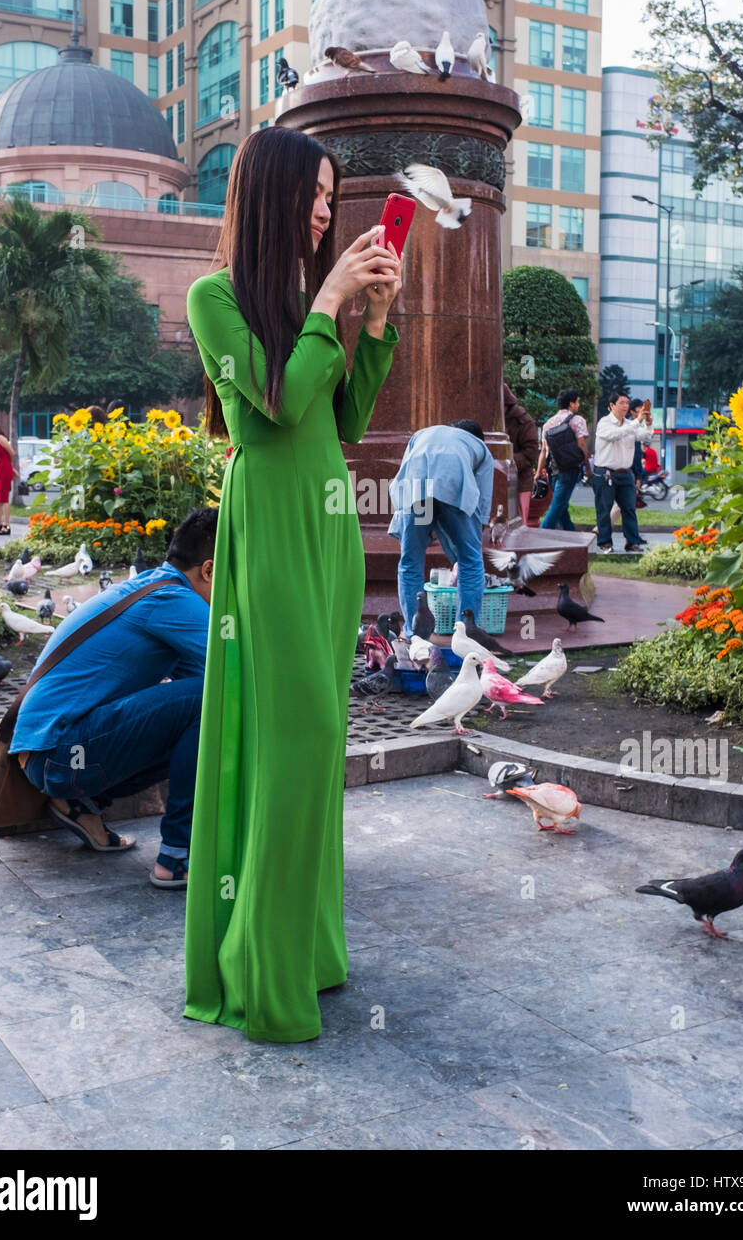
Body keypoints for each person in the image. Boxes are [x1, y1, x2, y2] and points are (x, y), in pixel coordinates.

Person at [184, 126, 401, 1043]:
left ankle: (307, 950)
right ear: (270, 198)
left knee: (320, 748)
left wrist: (375, 322)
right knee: (296, 738)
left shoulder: (297, 298)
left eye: (330, 195)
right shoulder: (215, 297)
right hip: (270, 528)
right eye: (313, 196)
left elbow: (342, 414)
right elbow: (270, 406)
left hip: (328, 531)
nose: (325, 212)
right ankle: (261, 971)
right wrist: (330, 301)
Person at [9, 508, 217, 886]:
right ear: (208, 570)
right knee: (209, 700)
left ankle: (83, 805)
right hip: (58, 754)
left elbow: (189, 689)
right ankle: (177, 857)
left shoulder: (155, 586)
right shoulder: (175, 601)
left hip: (46, 755)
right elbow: (232, 677)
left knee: (194, 706)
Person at [389, 420, 494, 635]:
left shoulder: (421, 434)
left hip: (416, 487)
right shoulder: (481, 448)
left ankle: (413, 632)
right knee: (471, 562)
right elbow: (482, 501)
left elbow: (405, 472)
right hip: (455, 482)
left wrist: (409, 530)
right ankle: (466, 631)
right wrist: (472, 535)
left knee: (410, 562)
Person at [592, 392, 653, 554]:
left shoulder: (629, 424)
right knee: (604, 510)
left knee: (629, 509)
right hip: (605, 473)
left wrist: (647, 424)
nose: (626, 406)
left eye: (627, 403)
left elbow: (645, 436)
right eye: (622, 403)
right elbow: (615, 435)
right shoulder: (604, 423)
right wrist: (637, 422)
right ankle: (605, 543)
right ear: (612, 405)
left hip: (625, 473)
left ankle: (632, 542)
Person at [534, 389, 590, 531]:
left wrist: (538, 472)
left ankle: (571, 535)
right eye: (577, 402)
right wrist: (587, 467)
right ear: (571, 404)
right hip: (570, 468)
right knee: (558, 506)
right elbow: (582, 444)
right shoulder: (577, 420)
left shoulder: (548, 423)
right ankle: (540, 535)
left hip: (553, 469)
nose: (578, 405)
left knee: (561, 506)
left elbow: (544, 451)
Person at [502, 383, 539, 525]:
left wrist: (508, 463)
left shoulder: (524, 420)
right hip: (499, 478)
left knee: (521, 519)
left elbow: (531, 452)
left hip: (521, 479)